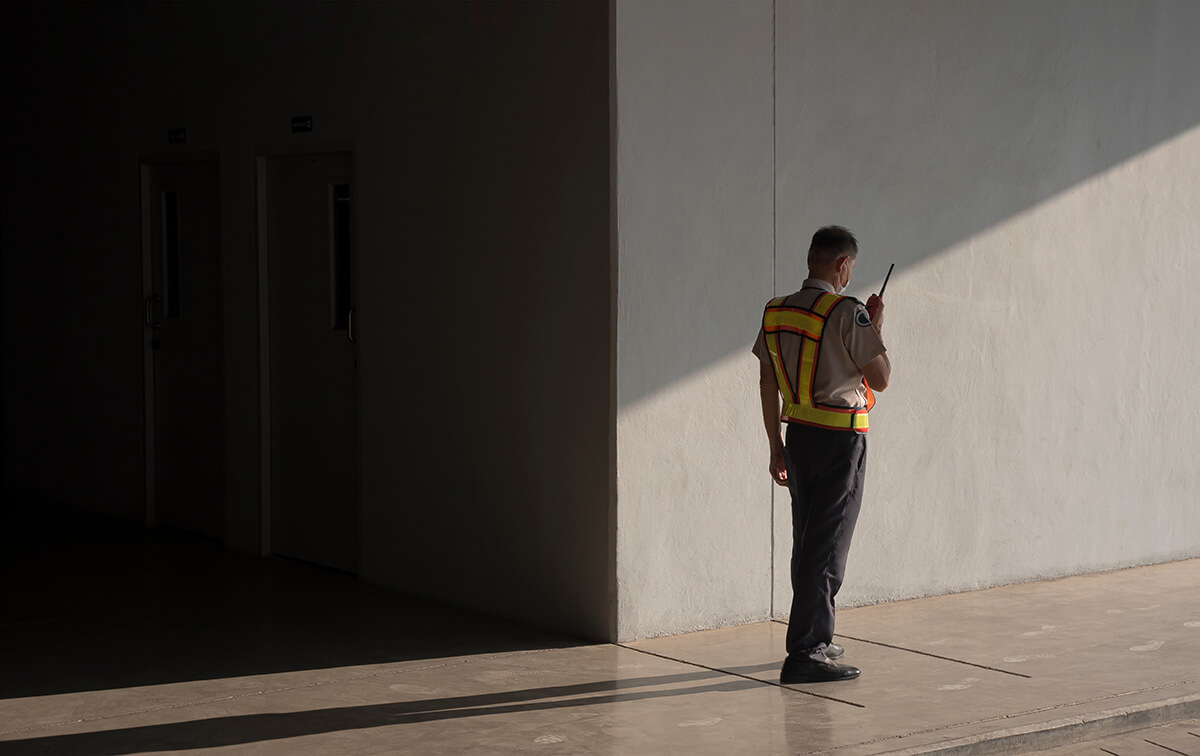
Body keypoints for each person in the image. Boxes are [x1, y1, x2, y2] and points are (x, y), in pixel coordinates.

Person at [752, 226, 891, 684]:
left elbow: (767, 383)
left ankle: (817, 635)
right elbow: (882, 376)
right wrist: (876, 328)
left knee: (807, 541)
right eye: (850, 267)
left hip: (799, 441)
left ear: (811, 258)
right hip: (839, 443)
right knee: (827, 546)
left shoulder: (777, 311)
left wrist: (775, 445)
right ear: (842, 265)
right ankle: (806, 652)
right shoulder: (849, 312)